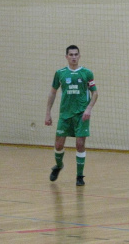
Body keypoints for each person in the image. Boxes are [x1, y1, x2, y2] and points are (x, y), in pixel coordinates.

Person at [45, 45, 98, 186]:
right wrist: (48, 113)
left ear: (79, 56)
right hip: (65, 115)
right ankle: (58, 165)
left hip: (81, 115)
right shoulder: (60, 73)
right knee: (58, 144)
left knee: (80, 144)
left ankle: (80, 176)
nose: (73, 57)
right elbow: (52, 92)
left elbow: (95, 93)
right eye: (71, 54)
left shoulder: (87, 73)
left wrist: (88, 109)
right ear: (66, 57)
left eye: (76, 54)